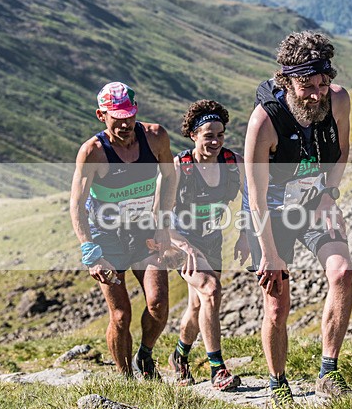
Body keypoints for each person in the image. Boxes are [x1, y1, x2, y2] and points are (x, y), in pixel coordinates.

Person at [244, 31, 352, 406]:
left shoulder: (337, 100)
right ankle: (278, 384)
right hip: (270, 213)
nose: (316, 94)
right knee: (277, 303)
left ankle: (329, 372)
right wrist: (269, 254)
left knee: (342, 272)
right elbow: (255, 196)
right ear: (286, 80)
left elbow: (341, 151)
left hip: (313, 204)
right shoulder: (265, 121)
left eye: (323, 83)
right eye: (306, 86)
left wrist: (329, 194)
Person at [70, 82, 176, 379]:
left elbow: (170, 178)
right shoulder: (92, 152)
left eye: (130, 114)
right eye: (117, 117)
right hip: (107, 238)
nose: (126, 123)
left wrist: (163, 224)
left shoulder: (155, 137)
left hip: (144, 232)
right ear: (101, 115)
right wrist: (90, 253)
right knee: (120, 314)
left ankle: (145, 355)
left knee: (157, 304)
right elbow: (77, 205)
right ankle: (126, 377)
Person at [166, 99, 249, 390]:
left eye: (220, 134)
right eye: (208, 135)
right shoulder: (180, 166)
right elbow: (158, 215)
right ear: (193, 135)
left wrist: (246, 233)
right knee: (212, 291)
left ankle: (179, 356)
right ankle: (218, 368)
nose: (215, 141)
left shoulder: (232, 162)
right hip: (180, 244)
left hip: (213, 242)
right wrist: (182, 245)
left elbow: (254, 198)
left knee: (196, 305)